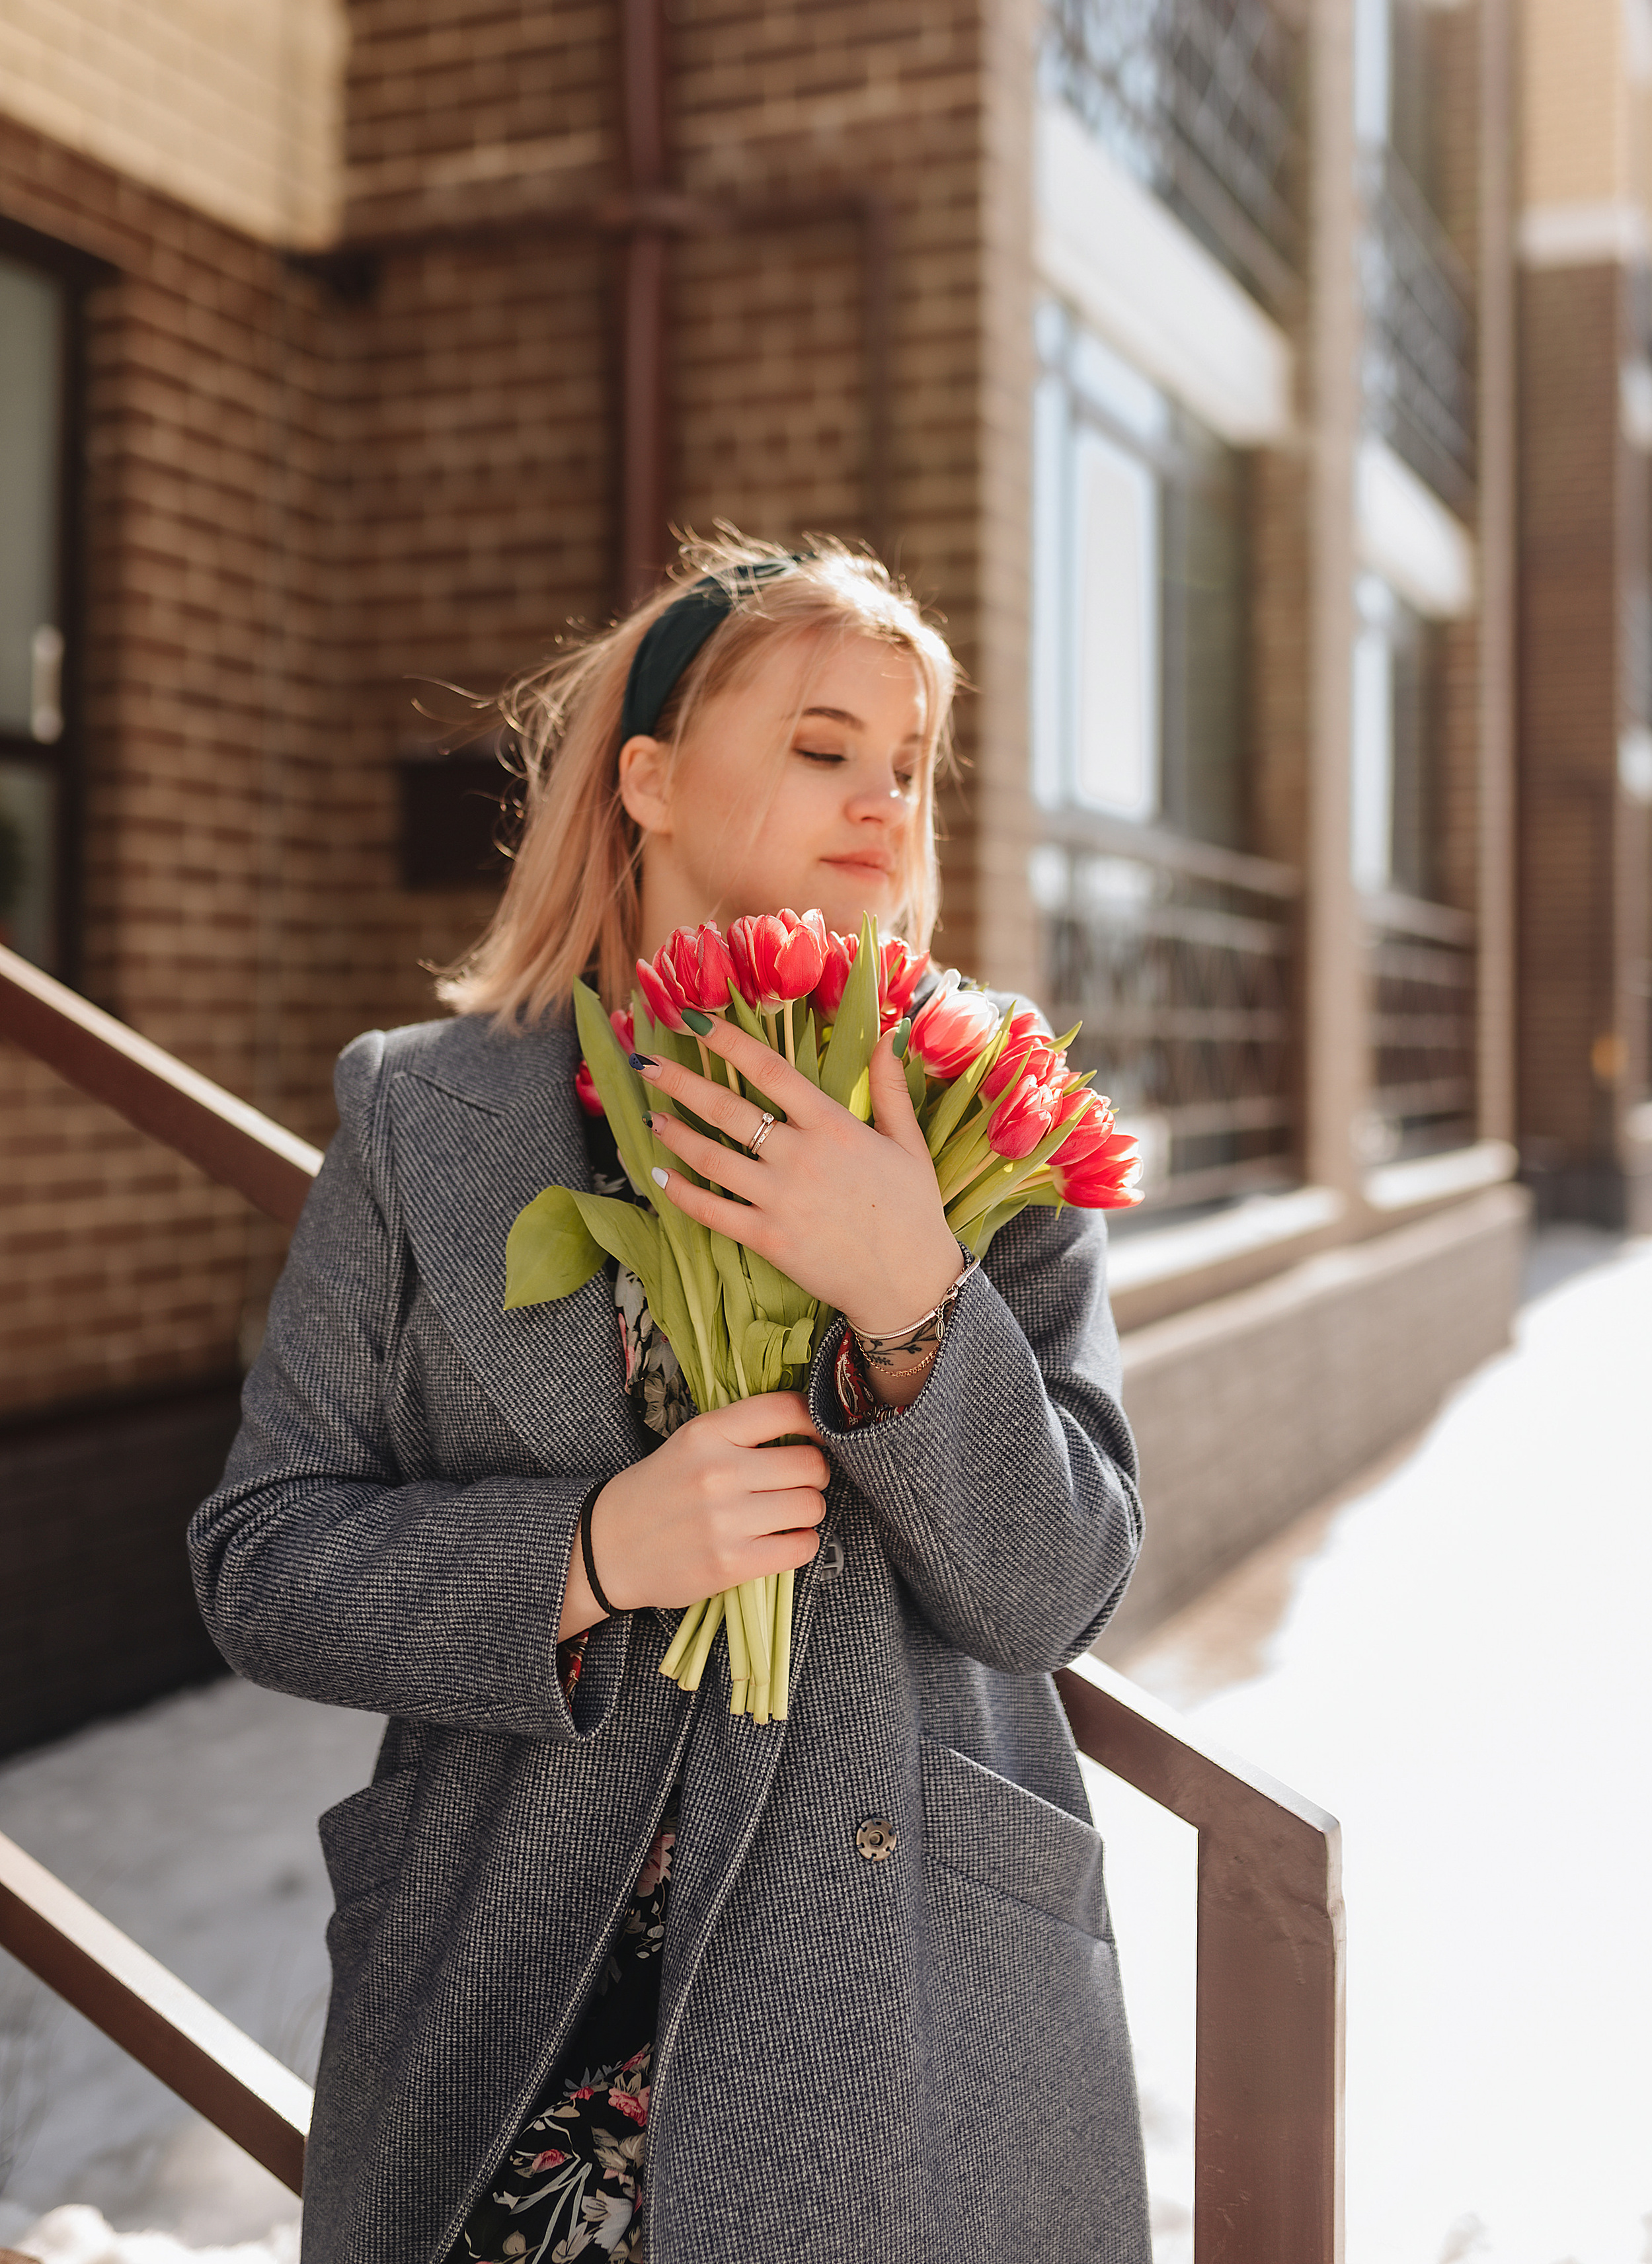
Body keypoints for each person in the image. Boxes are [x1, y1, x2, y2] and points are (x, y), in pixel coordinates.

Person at [189, 534, 1152, 2264]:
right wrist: (588, 1553)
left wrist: (911, 1293)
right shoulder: (422, 1118)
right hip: (521, 2018)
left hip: (898, 2028)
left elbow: (1057, 1589)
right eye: (821, 744)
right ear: (645, 777)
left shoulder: (983, 1106)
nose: (886, 801)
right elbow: (260, 1561)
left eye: (914, 766)